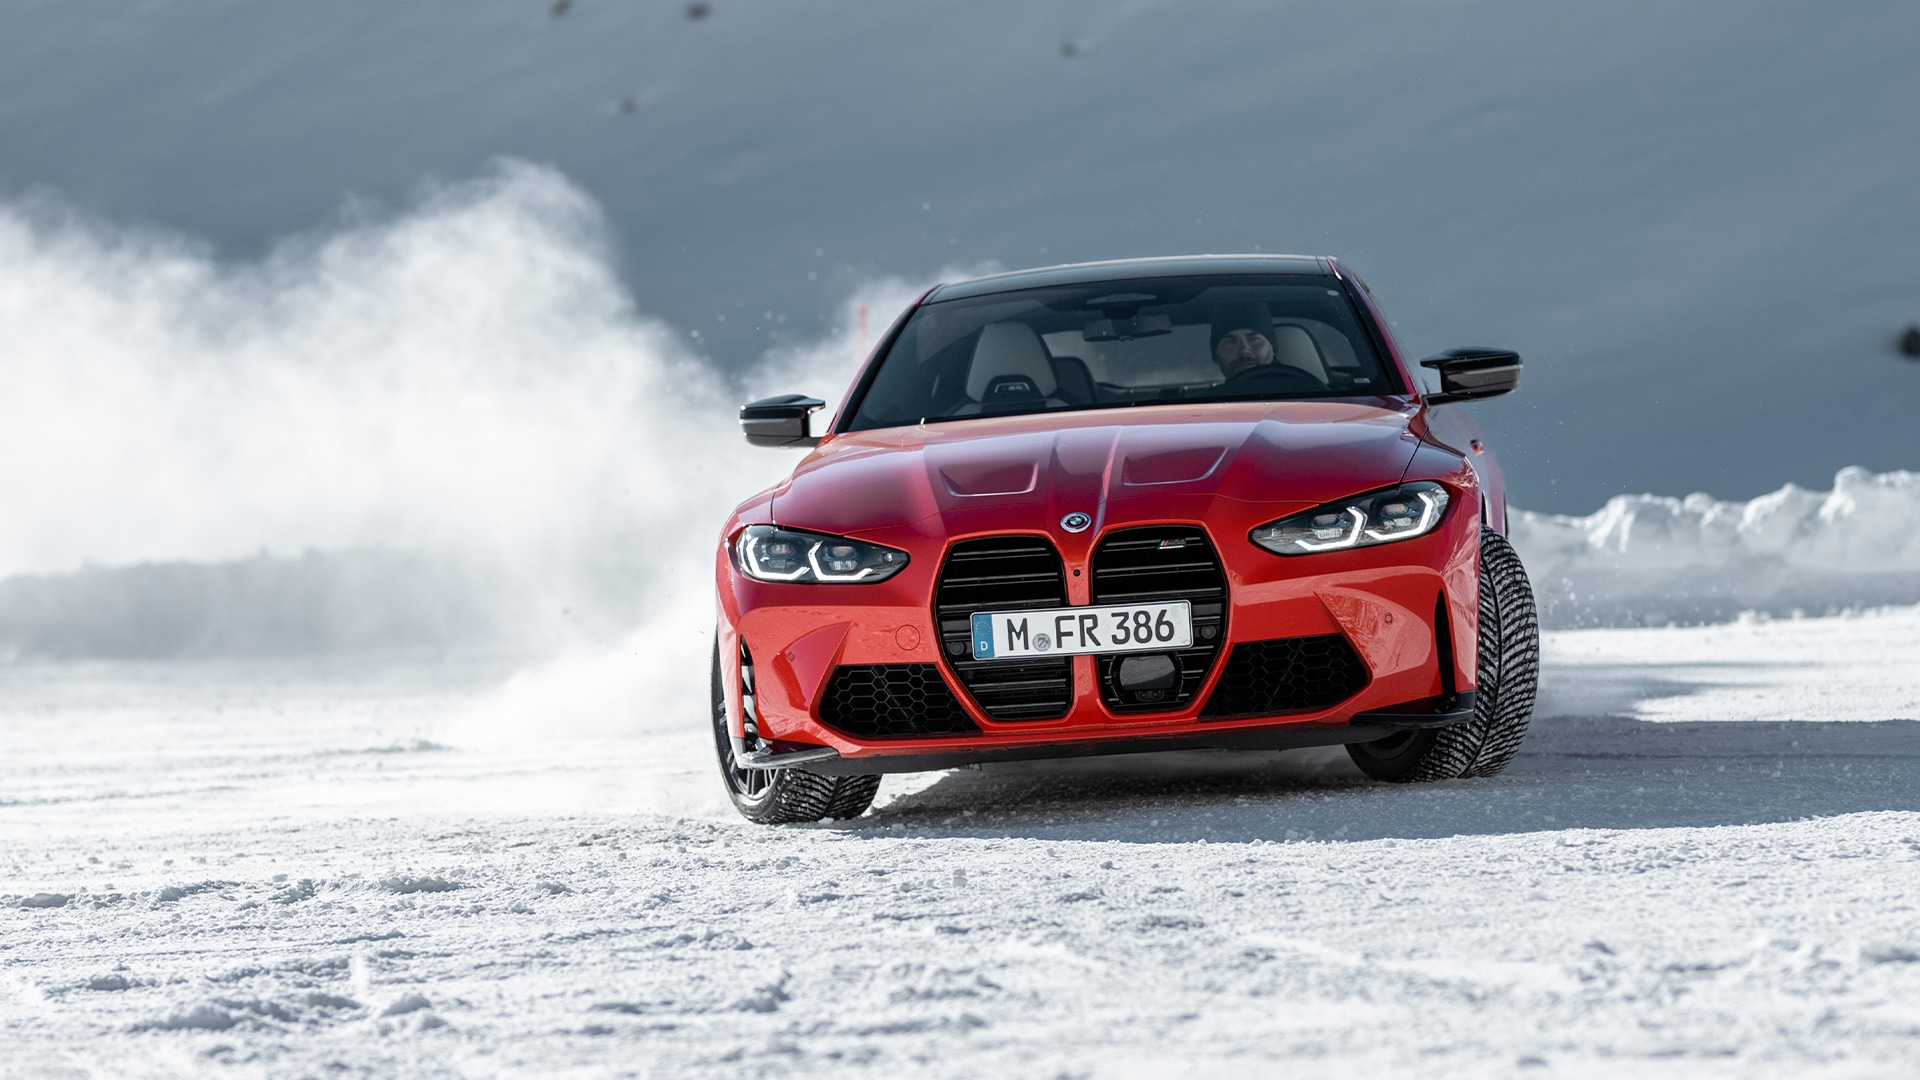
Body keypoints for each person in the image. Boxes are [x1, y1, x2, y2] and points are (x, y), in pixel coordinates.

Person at [1209, 303, 1278, 380]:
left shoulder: (1293, 387)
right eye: (1230, 342)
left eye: (1254, 339)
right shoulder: (1215, 392)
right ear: (1216, 356)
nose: (1244, 350)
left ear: (1272, 349)